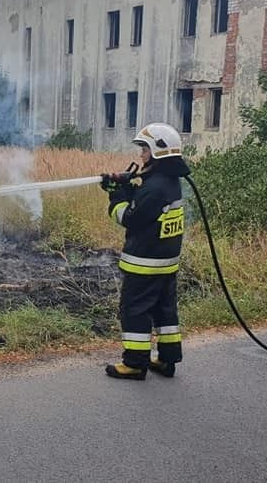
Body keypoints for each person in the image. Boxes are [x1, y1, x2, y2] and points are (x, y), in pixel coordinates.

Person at [99, 123, 192, 380]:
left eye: (144, 149)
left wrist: (116, 197)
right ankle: (167, 359)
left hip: (144, 265)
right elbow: (149, 210)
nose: (141, 155)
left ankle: (135, 363)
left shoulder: (155, 188)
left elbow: (129, 218)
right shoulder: (169, 182)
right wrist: (129, 188)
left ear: (158, 152)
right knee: (165, 312)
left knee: (135, 311)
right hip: (165, 264)